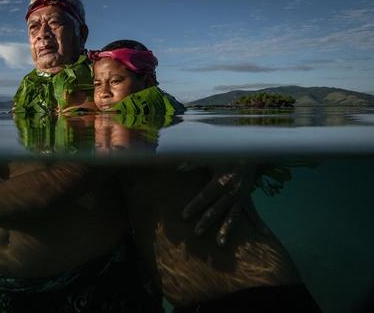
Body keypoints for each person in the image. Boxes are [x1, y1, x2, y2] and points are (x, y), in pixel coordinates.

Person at [0, 0, 262, 312]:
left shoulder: (104, 82)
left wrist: (243, 155)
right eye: (34, 27)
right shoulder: (27, 97)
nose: (42, 35)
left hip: (94, 283)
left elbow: (165, 106)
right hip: (14, 291)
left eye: (55, 23)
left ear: (81, 32)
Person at [86, 40, 321, 311]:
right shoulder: (109, 133)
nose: (103, 93)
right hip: (193, 301)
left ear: (148, 80)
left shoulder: (172, 124)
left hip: (255, 291)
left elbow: (263, 144)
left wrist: (249, 160)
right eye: (96, 84)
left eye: (115, 81)